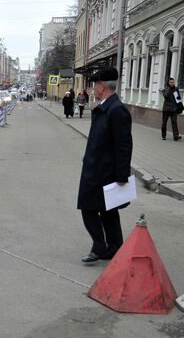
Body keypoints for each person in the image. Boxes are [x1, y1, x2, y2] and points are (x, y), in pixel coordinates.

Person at [77, 67, 132, 264]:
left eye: (94, 85)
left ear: (102, 86)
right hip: (96, 168)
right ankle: (115, 248)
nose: (93, 89)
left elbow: (124, 146)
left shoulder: (117, 110)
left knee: (88, 207)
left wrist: (122, 177)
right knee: (108, 212)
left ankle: (99, 247)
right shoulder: (105, 107)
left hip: (103, 172)